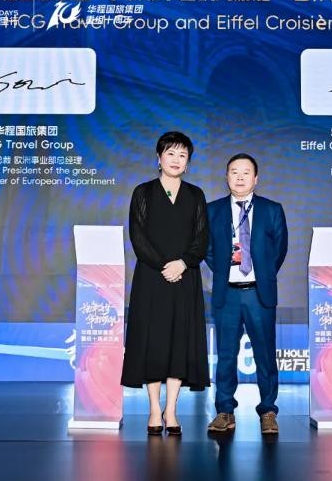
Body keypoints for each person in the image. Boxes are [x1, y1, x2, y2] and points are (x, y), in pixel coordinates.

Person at [121, 131, 210, 436]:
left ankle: (171, 410)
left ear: (188, 163)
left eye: (182, 155)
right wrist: (164, 266)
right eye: (170, 153)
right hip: (152, 278)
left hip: (185, 277)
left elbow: (202, 238)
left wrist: (183, 263)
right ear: (158, 158)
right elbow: (138, 237)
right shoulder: (143, 192)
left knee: (178, 343)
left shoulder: (196, 195)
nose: (176, 160)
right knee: (154, 343)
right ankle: (153, 410)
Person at [205, 153, 288, 434]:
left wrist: (260, 273)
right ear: (226, 177)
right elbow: (207, 249)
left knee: (265, 355)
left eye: (245, 172)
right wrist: (225, 270)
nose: (239, 177)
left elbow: (279, 249)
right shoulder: (213, 210)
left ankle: (268, 411)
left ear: (256, 178)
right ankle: (224, 411)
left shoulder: (272, 209)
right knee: (226, 355)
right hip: (227, 294)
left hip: (258, 293)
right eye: (234, 172)